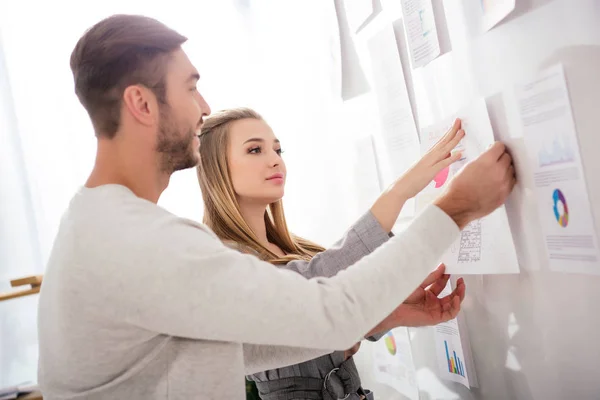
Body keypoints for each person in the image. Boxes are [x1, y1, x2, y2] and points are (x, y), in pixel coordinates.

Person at [36, 14, 516, 400]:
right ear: (141, 103)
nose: (204, 107)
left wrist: (380, 316)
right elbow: (331, 310)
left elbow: (242, 345)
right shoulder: (138, 241)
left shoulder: (95, 225)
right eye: (190, 87)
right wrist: (455, 209)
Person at [197, 107, 469, 399]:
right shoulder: (223, 261)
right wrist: (400, 192)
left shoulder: (294, 248)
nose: (275, 160)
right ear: (217, 169)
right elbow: (312, 287)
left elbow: (329, 323)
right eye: (255, 150)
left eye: (278, 149)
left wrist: (393, 312)